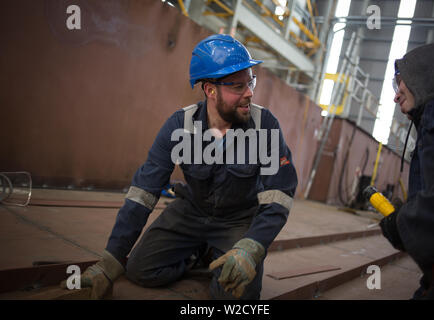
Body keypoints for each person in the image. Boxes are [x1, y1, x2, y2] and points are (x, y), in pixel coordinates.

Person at [64, 34, 298, 300]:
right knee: (140, 270)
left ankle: (222, 250)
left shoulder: (264, 126)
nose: (249, 93)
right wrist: (109, 261)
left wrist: (252, 247)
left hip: (238, 220)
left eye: (250, 81)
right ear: (210, 90)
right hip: (191, 212)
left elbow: (279, 196)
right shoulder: (180, 127)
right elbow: (143, 194)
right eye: (237, 86)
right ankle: (198, 254)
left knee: (236, 295)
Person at [379, 43, 434, 299]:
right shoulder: (429, 121)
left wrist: (406, 222)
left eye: (400, 85)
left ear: (423, 73)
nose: (396, 96)